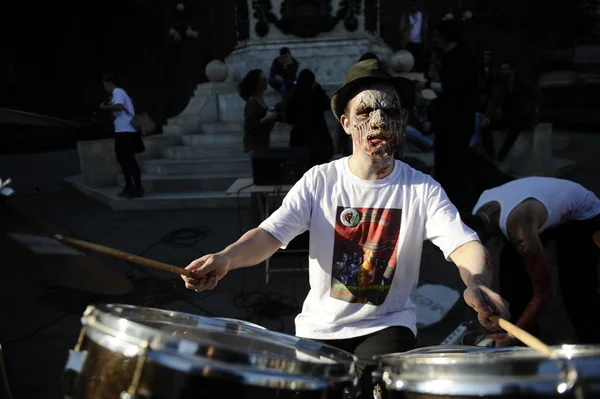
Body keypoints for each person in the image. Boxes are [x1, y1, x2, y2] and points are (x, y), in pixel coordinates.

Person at [182, 59, 510, 398]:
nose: (379, 121)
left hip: (388, 324)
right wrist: (224, 259)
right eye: (366, 112)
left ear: (403, 120)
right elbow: (269, 235)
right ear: (347, 123)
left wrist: (478, 282)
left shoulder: (422, 188)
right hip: (319, 327)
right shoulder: (319, 181)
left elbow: (462, 244)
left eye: (390, 112)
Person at [472, 177, 600, 347]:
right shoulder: (478, 211)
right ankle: (524, 344)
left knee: (577, 291)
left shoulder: (519, 228)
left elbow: (544, 292)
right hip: (538, 208)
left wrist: (513, 334)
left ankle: (593, 348)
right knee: (513, 278)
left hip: (583, 216)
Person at [419, 19, 479, 213]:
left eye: (437, 35)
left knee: (451, 168)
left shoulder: (457, 58)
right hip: (456, 121)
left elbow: (453, 89)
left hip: (454, 123)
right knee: (453, 167)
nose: (434, 38)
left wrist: (427, 86)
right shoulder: (458, 55)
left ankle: (455, 209)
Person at [480, 61, 540, 162]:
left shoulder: (523, 82)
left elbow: (535, 98)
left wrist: (526, 111)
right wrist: (487, 117)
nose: (504, 72)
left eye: (506, 69)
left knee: (514, 129)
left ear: (512, 70)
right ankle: (491, 155)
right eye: (502, 69)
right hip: (506, 115)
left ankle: (501, 156)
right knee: (485, 127)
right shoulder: (500, 83)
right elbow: (493, 101)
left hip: (521, 115)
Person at [100, 73, 144, 199]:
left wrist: (105, 108)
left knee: (128, 160)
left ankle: (135, 187)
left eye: (105, 85)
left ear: (109, 83)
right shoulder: (118, 94)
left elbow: (119, 106)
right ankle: (131, 186)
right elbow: (118, 111)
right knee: (125, 160)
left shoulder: (117, 91)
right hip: (123, 132)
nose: (105, 88)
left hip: (126, 132)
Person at [285, 69, 334, 166]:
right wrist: (318, 88)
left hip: (300, 139)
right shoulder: (315, 95)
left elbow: (288, 117)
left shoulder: (294, 96)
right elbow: (328, 104)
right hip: (318, 140)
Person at [239, 69, 279, 157]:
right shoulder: (252, 102)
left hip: (263, 144)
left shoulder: (260, 101)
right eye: (262, 79)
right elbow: (249, 126)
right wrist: (266, 118)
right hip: (254, 147)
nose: (265, 82)